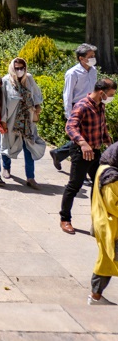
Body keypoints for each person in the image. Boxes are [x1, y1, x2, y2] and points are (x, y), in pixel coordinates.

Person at [60, 78, 115, 235]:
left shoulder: (100, 106)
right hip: (81, 153)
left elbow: (102, 126)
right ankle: (65, 219)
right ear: (101, 92)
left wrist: (108, 143)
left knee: (99, 186)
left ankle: (96, 220)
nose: (112, 97)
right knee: (74, 186)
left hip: (96, 153)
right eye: (110, 94)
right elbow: (70, 127)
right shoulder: (82, 105)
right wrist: (83, 143)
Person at [0, 57, 45, 188]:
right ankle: (6, 168)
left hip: (27, 120)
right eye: (17, 68)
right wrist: (3, 122)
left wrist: (37, 106)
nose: (20, 71)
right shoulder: (5, 81)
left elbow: (36, 94)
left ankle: (30, 177)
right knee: (8, 145)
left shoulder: (29, 79)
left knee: (29, 148)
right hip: (12, 120)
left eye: (22, 68)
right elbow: (2, 103)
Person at [52, 44, 98, 170]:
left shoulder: (93, 70)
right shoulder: (72, 73)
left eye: (93, 56)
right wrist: (69, 115)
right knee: (82, 139)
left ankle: (59, 153)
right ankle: (81, 170)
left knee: (85, 138)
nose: (93, 58)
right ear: (81, 58)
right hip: (77, 108)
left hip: (91, 107)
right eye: (90, 56)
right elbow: (67, 94)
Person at [89, 143, 118, 304]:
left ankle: (95, 296)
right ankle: (95, 296)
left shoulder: (105, 168)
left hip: (106, 223)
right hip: (111, 226)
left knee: (107, 262)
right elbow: (114, 205)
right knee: (107, 262)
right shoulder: (112, 176)